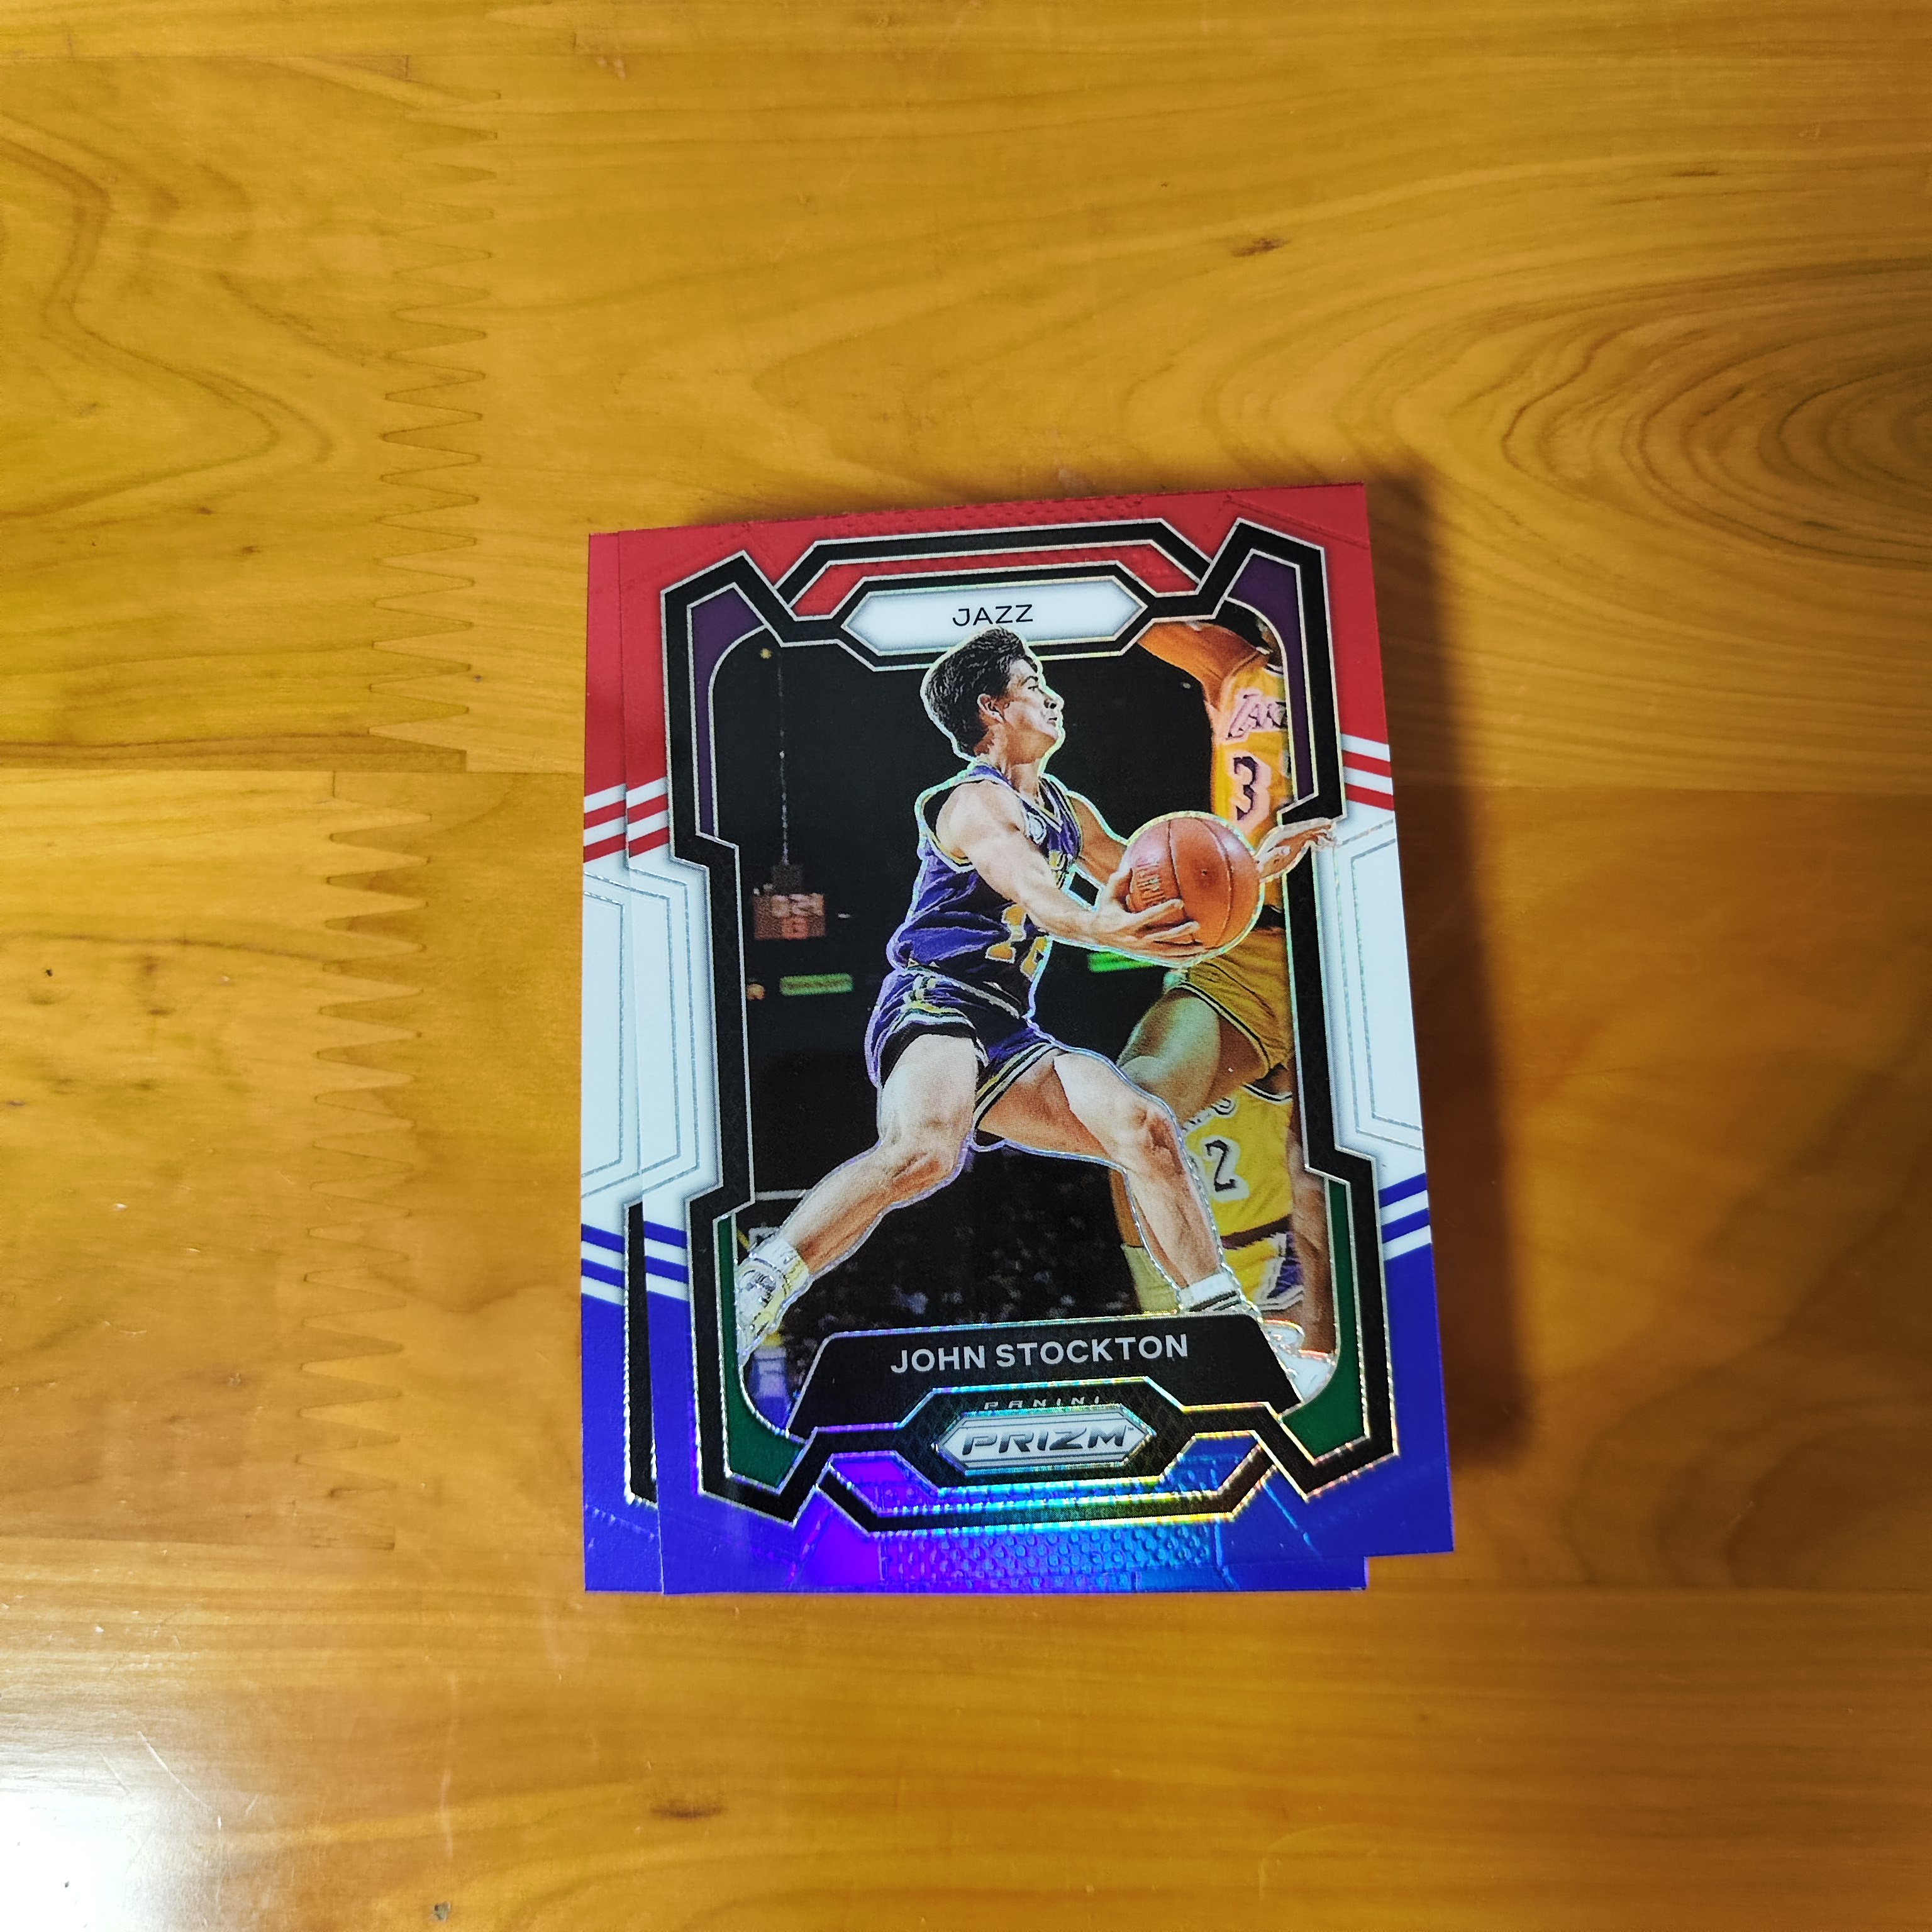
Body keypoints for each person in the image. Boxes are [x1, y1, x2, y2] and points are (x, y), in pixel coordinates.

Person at [735, 627, 1254, 1366]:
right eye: (1033, 685)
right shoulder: (977, 805)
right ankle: (756, 1288)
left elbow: (1152, 875)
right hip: (936, 1001)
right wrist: (1102, 928)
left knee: (1143, 1128)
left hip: (1009, 1029)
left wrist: (1257, 863)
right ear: (993, 709)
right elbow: (1041, 896)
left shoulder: (1067, 809)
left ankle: (1226, 1326)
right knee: (925, 1151)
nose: (1053, 696)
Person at [1111, 616, 1339, 1401]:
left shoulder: (1346, 668)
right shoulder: (1240, 668)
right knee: (1138, 1098)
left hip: (1341, 923)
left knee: (1315, 1184)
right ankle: (1256, 1345)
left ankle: (1312, 1361)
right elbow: (1138, 605)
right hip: (1250, 949)